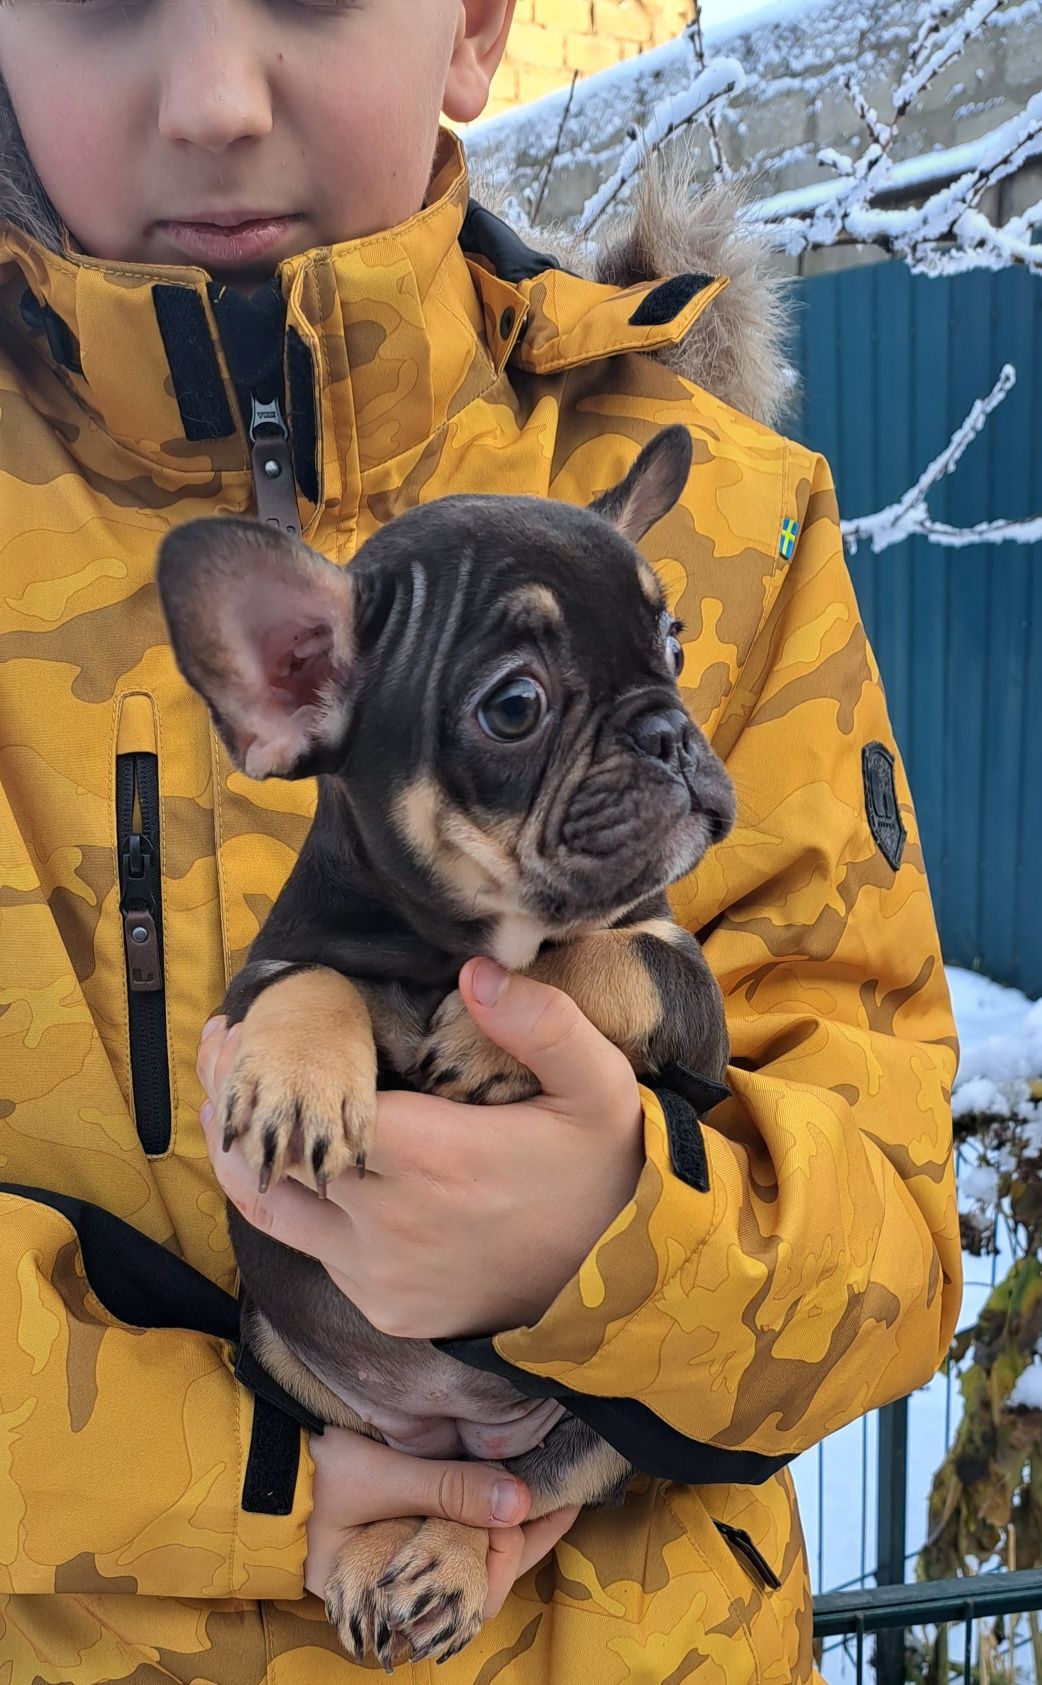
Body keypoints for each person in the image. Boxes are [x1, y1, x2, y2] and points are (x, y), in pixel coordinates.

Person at [0, 1, 962, 1680]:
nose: (219, 99)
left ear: (470, 26)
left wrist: (618, 1230)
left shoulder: (741, 513)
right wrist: (248, 1483)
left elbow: (891, 1257)